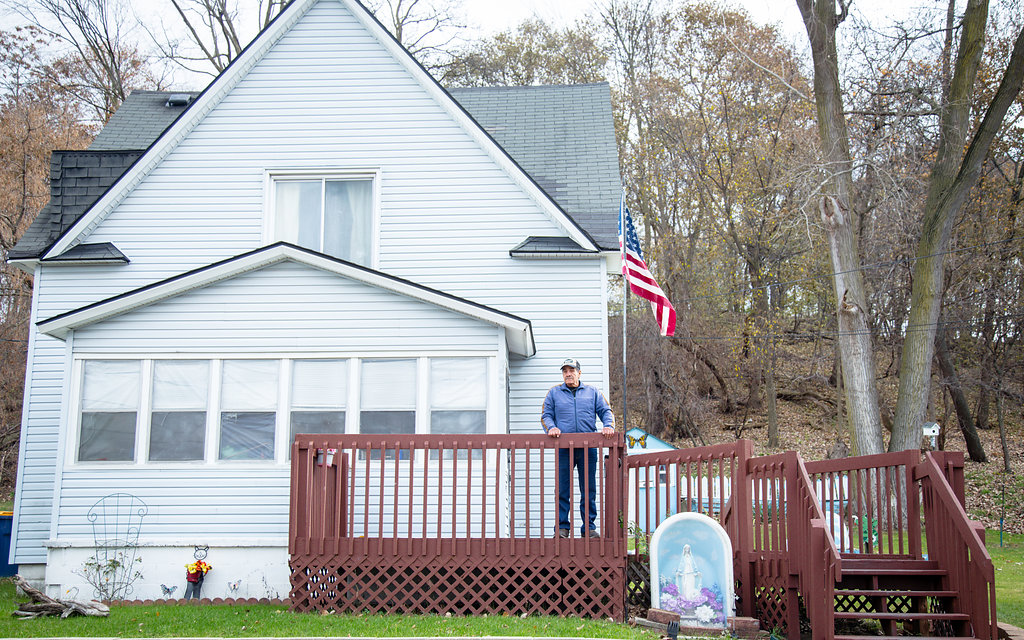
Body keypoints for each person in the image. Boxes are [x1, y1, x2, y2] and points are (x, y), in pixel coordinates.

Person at [541, 357, 616, 537]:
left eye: (572, 370)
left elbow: (606, 411)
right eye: (565, 371)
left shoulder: (593, 392)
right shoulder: (554, 393)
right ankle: (562, 528)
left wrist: (608, 426)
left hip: (588, 448)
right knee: (562, 489)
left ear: (579, 373)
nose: (568, 374)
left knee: (588, 489)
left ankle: (589, 528)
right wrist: (552, 428)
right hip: (564, 448)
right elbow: (546, 415)